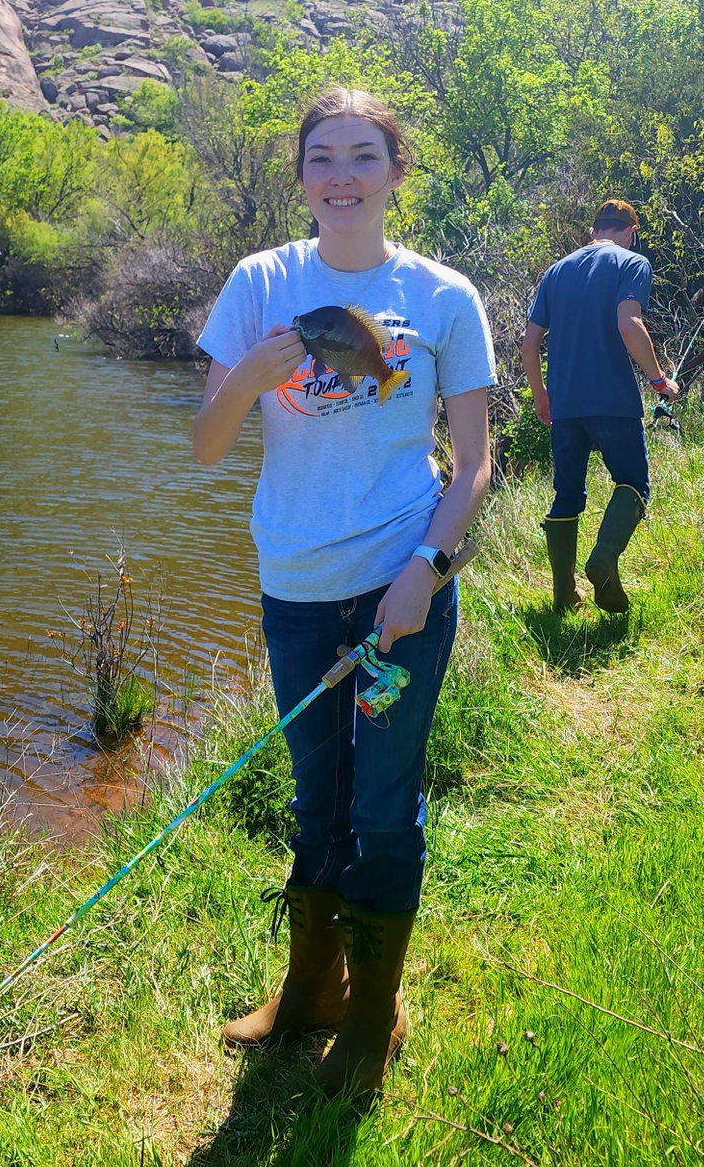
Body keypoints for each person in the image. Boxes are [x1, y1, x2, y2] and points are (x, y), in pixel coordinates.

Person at [193, 87, 495, 1096]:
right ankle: (307, 990)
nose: (340, 175)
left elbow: (473, 466)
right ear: (301, 173)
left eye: (362, 155)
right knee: (313, 798)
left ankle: (371, 1016)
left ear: (395, 170)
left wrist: (422, 575)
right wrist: (249, 375)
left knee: (381, 803)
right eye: (321, 155)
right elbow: (205, 444)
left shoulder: (443, 294)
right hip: (293, 587)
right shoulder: (258, 281)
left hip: (397, 591)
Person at [521, 199, 681, 613]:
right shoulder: (632, 262)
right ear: (631, 232)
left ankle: (563, 598)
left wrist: (543, 396)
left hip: (566, 406)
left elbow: (530, 343)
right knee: (633, 484)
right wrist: (659, 380)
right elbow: (629, 324)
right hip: (613, 402)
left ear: (593, 231)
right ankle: (604, 559)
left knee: (566, 495)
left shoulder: (556, 272)